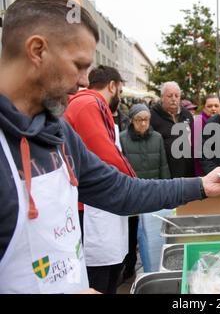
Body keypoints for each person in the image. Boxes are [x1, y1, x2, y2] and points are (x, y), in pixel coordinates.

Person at [0, 0, 220, 294]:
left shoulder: (59, 133)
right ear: (37, 50)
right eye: (79, 65)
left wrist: (203, 186)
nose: (83, 82)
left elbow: (122, 191)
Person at [64, 65, 134, 294]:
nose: (120, 97)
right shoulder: (88, 104)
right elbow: (107, 155)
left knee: (112, 270)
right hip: (90, 209)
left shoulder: (97, 108)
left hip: (104, 207)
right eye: (120, 90)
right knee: (99, 279)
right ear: (112, 86)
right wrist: (135, 186)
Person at [120, 104, 171, 274]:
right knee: (131, 232)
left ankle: (154, 263)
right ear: (132, 121)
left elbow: (163, 164)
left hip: (153, 192)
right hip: (133, 193)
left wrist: (166, 191)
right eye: (139, 120)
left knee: (152, 230)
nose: (143, 123)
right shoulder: (122, 139)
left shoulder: (156, 137)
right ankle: (129, 265)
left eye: (146, 120)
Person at [150, 82, 195, 178]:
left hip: (187, 170)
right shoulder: (152, 116)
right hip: (166, 171)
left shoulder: (187, 115)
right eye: (170, 96)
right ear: (162, 97)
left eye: (177, 96)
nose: (174, 99)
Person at [192, 95, 220, 176]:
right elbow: (197, 149)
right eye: (209, 106)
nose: (213, 109)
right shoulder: (199, 121)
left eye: (216, 106)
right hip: (204, 169)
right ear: (204, 108)